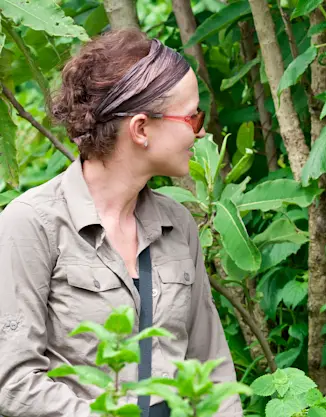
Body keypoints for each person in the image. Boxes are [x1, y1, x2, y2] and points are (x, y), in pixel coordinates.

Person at [0, 29, 243, 416]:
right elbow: (12, 383)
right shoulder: (30, 224)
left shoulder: (178, 225)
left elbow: (212, 369)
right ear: (141, 129)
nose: (201, 131)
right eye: (193, 117)